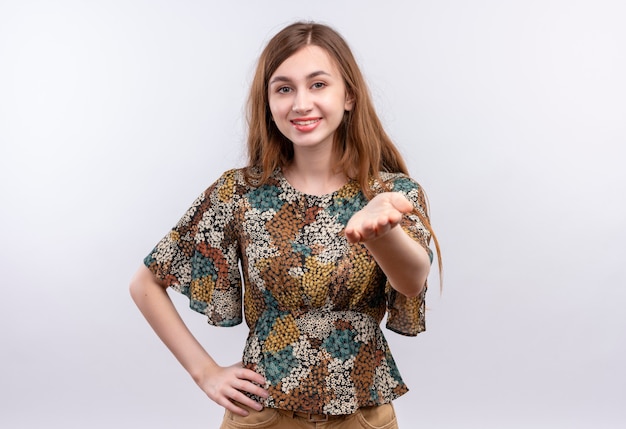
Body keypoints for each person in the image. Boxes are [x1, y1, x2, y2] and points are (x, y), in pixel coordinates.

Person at [130, 21, 441, 429]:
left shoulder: (390, 194)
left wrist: (381, 232)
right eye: (284, 88)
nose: (300, 104)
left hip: (362, 416)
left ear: (348, 95)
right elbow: (145, 283)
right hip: (263, 415)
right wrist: (205, 372)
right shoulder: (237, 193)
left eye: (317, 85)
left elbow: (412, 280)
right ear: (269, 102)